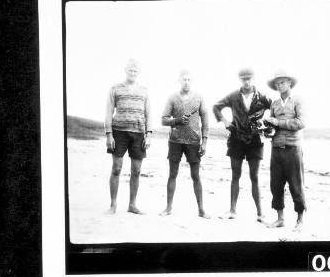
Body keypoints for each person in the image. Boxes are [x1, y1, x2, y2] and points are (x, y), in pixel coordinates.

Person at [213, 69, 272, 222]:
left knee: (255, 177)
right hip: (236, 139)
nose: (247, 82)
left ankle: (260, 214)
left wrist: (266, 124)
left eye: (249, 79)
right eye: (244, 79)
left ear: (254, 78)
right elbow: (216, 107)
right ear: (240, 79)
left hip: (255, 140)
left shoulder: (262, 97)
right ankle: (232, 211)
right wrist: (225, 122)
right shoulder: (233, 96)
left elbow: (274, 109)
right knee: (235, 175)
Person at [105, 59, 152, 214]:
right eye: (130, 70)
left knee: (136, 170)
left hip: (139, 133)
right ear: (125, 70)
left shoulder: (144, 90)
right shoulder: (115, 89)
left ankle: (132, 205)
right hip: (119, 132)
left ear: (138, 73)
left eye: (135, 70)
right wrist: (109, 135)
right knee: (116, 168)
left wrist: (149, 134)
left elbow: (148, 114)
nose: (132, 73)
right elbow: (108, 112)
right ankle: (113, 205)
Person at [160, 71, 210, 218]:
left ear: (192, 81)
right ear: (179, 81)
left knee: (196, 176)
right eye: (184, 79)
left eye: (189, 79)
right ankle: (168, 208)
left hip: (194, 142)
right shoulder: (172, 98)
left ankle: (201, 210)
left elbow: (206, 120)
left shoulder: (199, 97)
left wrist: (205, 141)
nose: (186, 82)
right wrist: (177, 120)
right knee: (172, 175)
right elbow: (163, 120)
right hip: (175, 141)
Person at [265, 70, 306, 231]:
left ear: (289, 82)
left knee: (296, 184)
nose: (279, 85)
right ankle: (280, 218)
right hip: (276, 148)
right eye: (277, 83)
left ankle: (300, 220)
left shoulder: (298, 101)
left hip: (293, 148)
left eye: (282, 82)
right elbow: (272, 127)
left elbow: (301, 122)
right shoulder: (274, 104)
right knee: (275, 184)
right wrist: (266, 129)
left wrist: (277, 122)